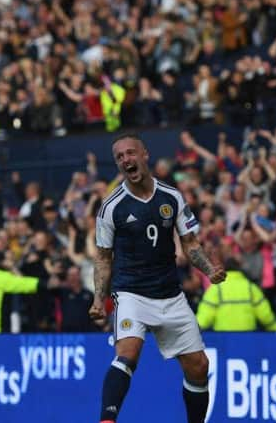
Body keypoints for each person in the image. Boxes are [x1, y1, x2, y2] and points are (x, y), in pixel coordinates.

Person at [89, 134, 226, 423]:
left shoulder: (171, 196)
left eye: (130, 153)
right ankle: (106, 420)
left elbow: (189, 243)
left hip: (170, 294)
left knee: (199, 366)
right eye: (119, 157)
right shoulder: (111, 207)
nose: (126, 160)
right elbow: (103, 257)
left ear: (145, 154)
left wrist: (209, 269)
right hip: (131, 292)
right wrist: (99, 298)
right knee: (128, 352)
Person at [196, 258, 276, 331]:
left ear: (225, 269)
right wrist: (275, 329)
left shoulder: (216, 289)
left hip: (223, 339)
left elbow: (204, 318)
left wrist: (193, 333)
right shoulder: (250, 288)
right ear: (240, 269)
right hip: (248, 338)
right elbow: (265, 314)